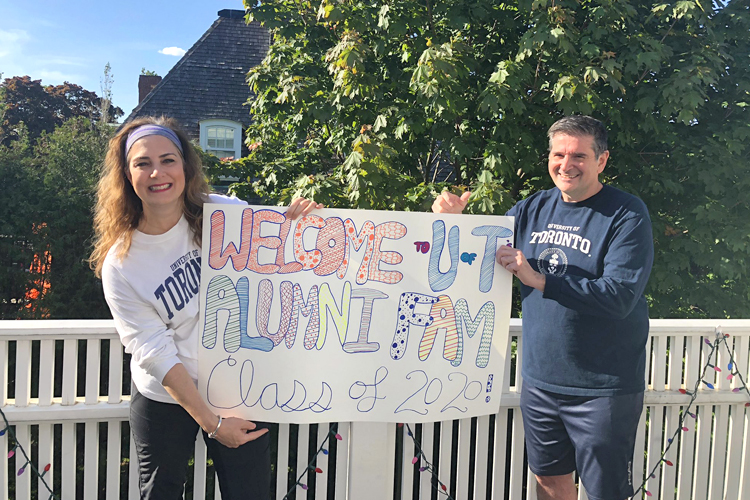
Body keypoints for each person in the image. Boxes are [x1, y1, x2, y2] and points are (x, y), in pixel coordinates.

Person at [90, 116, 322, 499]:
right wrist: (213, 425)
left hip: (237, 383)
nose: (157, 172)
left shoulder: (221, 214)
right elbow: (154, 352)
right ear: (127, 176)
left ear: (185, 166)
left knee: (249, 493)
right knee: (160, 492)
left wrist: (303, 222)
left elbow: (279, 249)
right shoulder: (121, 263)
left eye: (168, 160)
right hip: (167, 394)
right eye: (142, 163)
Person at [433, 115, 653, 500]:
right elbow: (484, 258)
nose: (566, 165)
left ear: (601, 161)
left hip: (603, 388)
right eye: (558, 154)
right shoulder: (530, 208)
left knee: (607, 492)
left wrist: (540, 279)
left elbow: (619, 296)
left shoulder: (626, 214)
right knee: (549, 483)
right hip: (540, 380)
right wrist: (456, 224)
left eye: (579, 156)